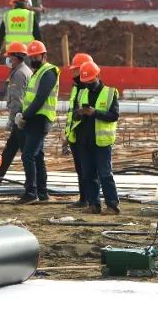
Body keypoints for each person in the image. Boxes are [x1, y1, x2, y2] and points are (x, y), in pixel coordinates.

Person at [72, 61, 121, 214]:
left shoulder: (110, 93)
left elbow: (114, 116)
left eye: (91, 81)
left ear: (98, 76)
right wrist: (79, 113)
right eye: (86, 82)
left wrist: (95, 113)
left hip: (101, 142)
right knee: (88, 174)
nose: (88, 84)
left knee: (105, 174)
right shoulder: (81, 93)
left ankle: (112, 205)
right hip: (84, 141)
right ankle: (93, 204)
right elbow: (73, 115)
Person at [16, 40, 59, 203]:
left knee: (28, 155)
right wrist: (24, 114)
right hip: (34, 119)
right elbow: (31, 98)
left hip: (40, 119)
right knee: (37, 156)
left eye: (36, 56)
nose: (33, 59)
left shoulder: (48, 72)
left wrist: (25, 116)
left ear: (44, 55)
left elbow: (40, 98)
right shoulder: (37, 72)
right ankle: (42, 192)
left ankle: (31, 193)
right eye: (31, 56)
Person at [0, 41, 31, 180]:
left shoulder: (19, 74)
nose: (8, 59)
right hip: (22, 117)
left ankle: (31, 181)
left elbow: (17, 100)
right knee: (11, 147)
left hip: (19, 118)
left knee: (25, 152)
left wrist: (12, 119)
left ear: (16, 57)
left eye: (9, 56)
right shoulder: (23, 71)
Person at [63, 52, 94, 208]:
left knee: (87, 169)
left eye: (76, 70)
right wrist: (67, 135)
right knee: (80, 169)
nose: (73, 73)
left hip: (85, 136)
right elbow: (71, 113)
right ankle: (83, 198)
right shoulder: (76, 88)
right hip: (75, 135)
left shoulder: (90, 89)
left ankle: (89, 199)